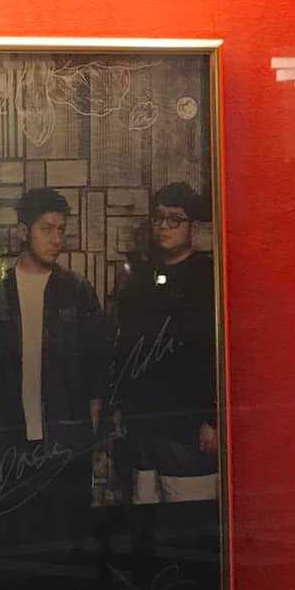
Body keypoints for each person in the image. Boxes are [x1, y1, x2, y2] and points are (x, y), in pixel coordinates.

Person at [0, 188, 107, 542]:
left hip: (65, 443)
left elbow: (95, 373)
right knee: (13, 540)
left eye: (61, 230)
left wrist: (90, 441)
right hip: (8, 442)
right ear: (22, 231)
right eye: (46, 229)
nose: (56, 239)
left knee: (67, 540)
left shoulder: (78, 291)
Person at [108, 182, 220, 506]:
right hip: (142, 423)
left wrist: (213, 420)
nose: (164, 227)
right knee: (144, 507)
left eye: (175, 219)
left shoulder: (208, 276)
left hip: (187, 425)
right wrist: (120, 408)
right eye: (158, 218)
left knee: (188, 510)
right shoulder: (141, 277)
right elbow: (127, 347)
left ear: (192, 226)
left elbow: (217, 354)